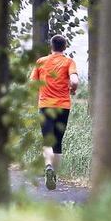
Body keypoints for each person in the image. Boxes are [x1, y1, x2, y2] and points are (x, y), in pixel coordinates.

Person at [30, 34, 78, 190]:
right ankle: (54, 174)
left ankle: (48, 166)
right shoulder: (69, 62)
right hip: (63, 106)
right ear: (64, 47)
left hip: (45, 106)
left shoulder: (41, 62)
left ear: (51, 47)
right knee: (58, 142)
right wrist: (73, 89)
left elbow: (32, 84)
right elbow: (75, 80)